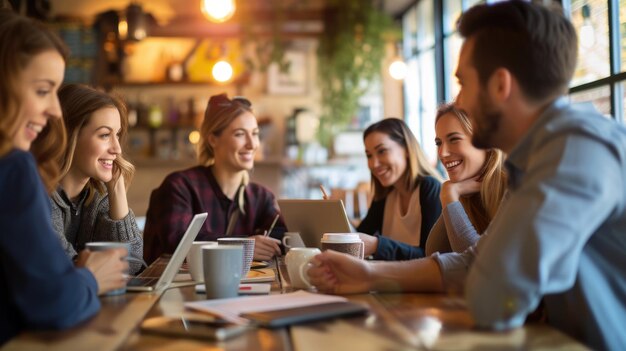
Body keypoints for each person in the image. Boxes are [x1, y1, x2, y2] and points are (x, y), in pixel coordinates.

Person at [307, 2, 626, 350]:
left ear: (500, 84)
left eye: (462, 83)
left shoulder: (574, 152)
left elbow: (492, 299)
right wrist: (369, 274)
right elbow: (476, 261)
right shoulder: (534, 160)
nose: (459, 99)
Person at [0, 10, 128, 345]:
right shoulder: (14, 169)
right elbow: (55, 301)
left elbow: (129, 263)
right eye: (43, 90)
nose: (55, 112)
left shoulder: (91, 197)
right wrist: (90, 279)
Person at [143, 93, 284, 264]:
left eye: (255, 134)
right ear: (213, 139)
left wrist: (321, 213)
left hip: (234, 288)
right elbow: (178, 242)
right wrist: (244, 246)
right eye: (240, 134)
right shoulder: (179, 187)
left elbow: (283, 238)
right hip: (175, 289)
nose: (252, 144)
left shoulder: (260, 197)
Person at [32, 84, 143, 274]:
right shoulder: (37, 194)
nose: (117, 149)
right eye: (105, 135)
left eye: (117, 135)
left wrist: (116, 189)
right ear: (68, 137)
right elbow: (65, 271)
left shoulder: (97, 197)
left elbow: (130, 265)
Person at [424, 103, 506, 255]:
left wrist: (449, 195)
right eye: (438, 143)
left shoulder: (514, 192)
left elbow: (477, 267)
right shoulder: (463, 195)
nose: (442, 153)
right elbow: (434, 253)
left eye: (454, 139)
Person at [356, 118, 442, 260]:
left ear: (407, 149)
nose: (374, 163)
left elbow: (432, 257)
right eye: (369, 155)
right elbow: (360, 236)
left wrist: (378, 245)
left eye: (382, 151)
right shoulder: (385, 195)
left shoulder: (430, 187)